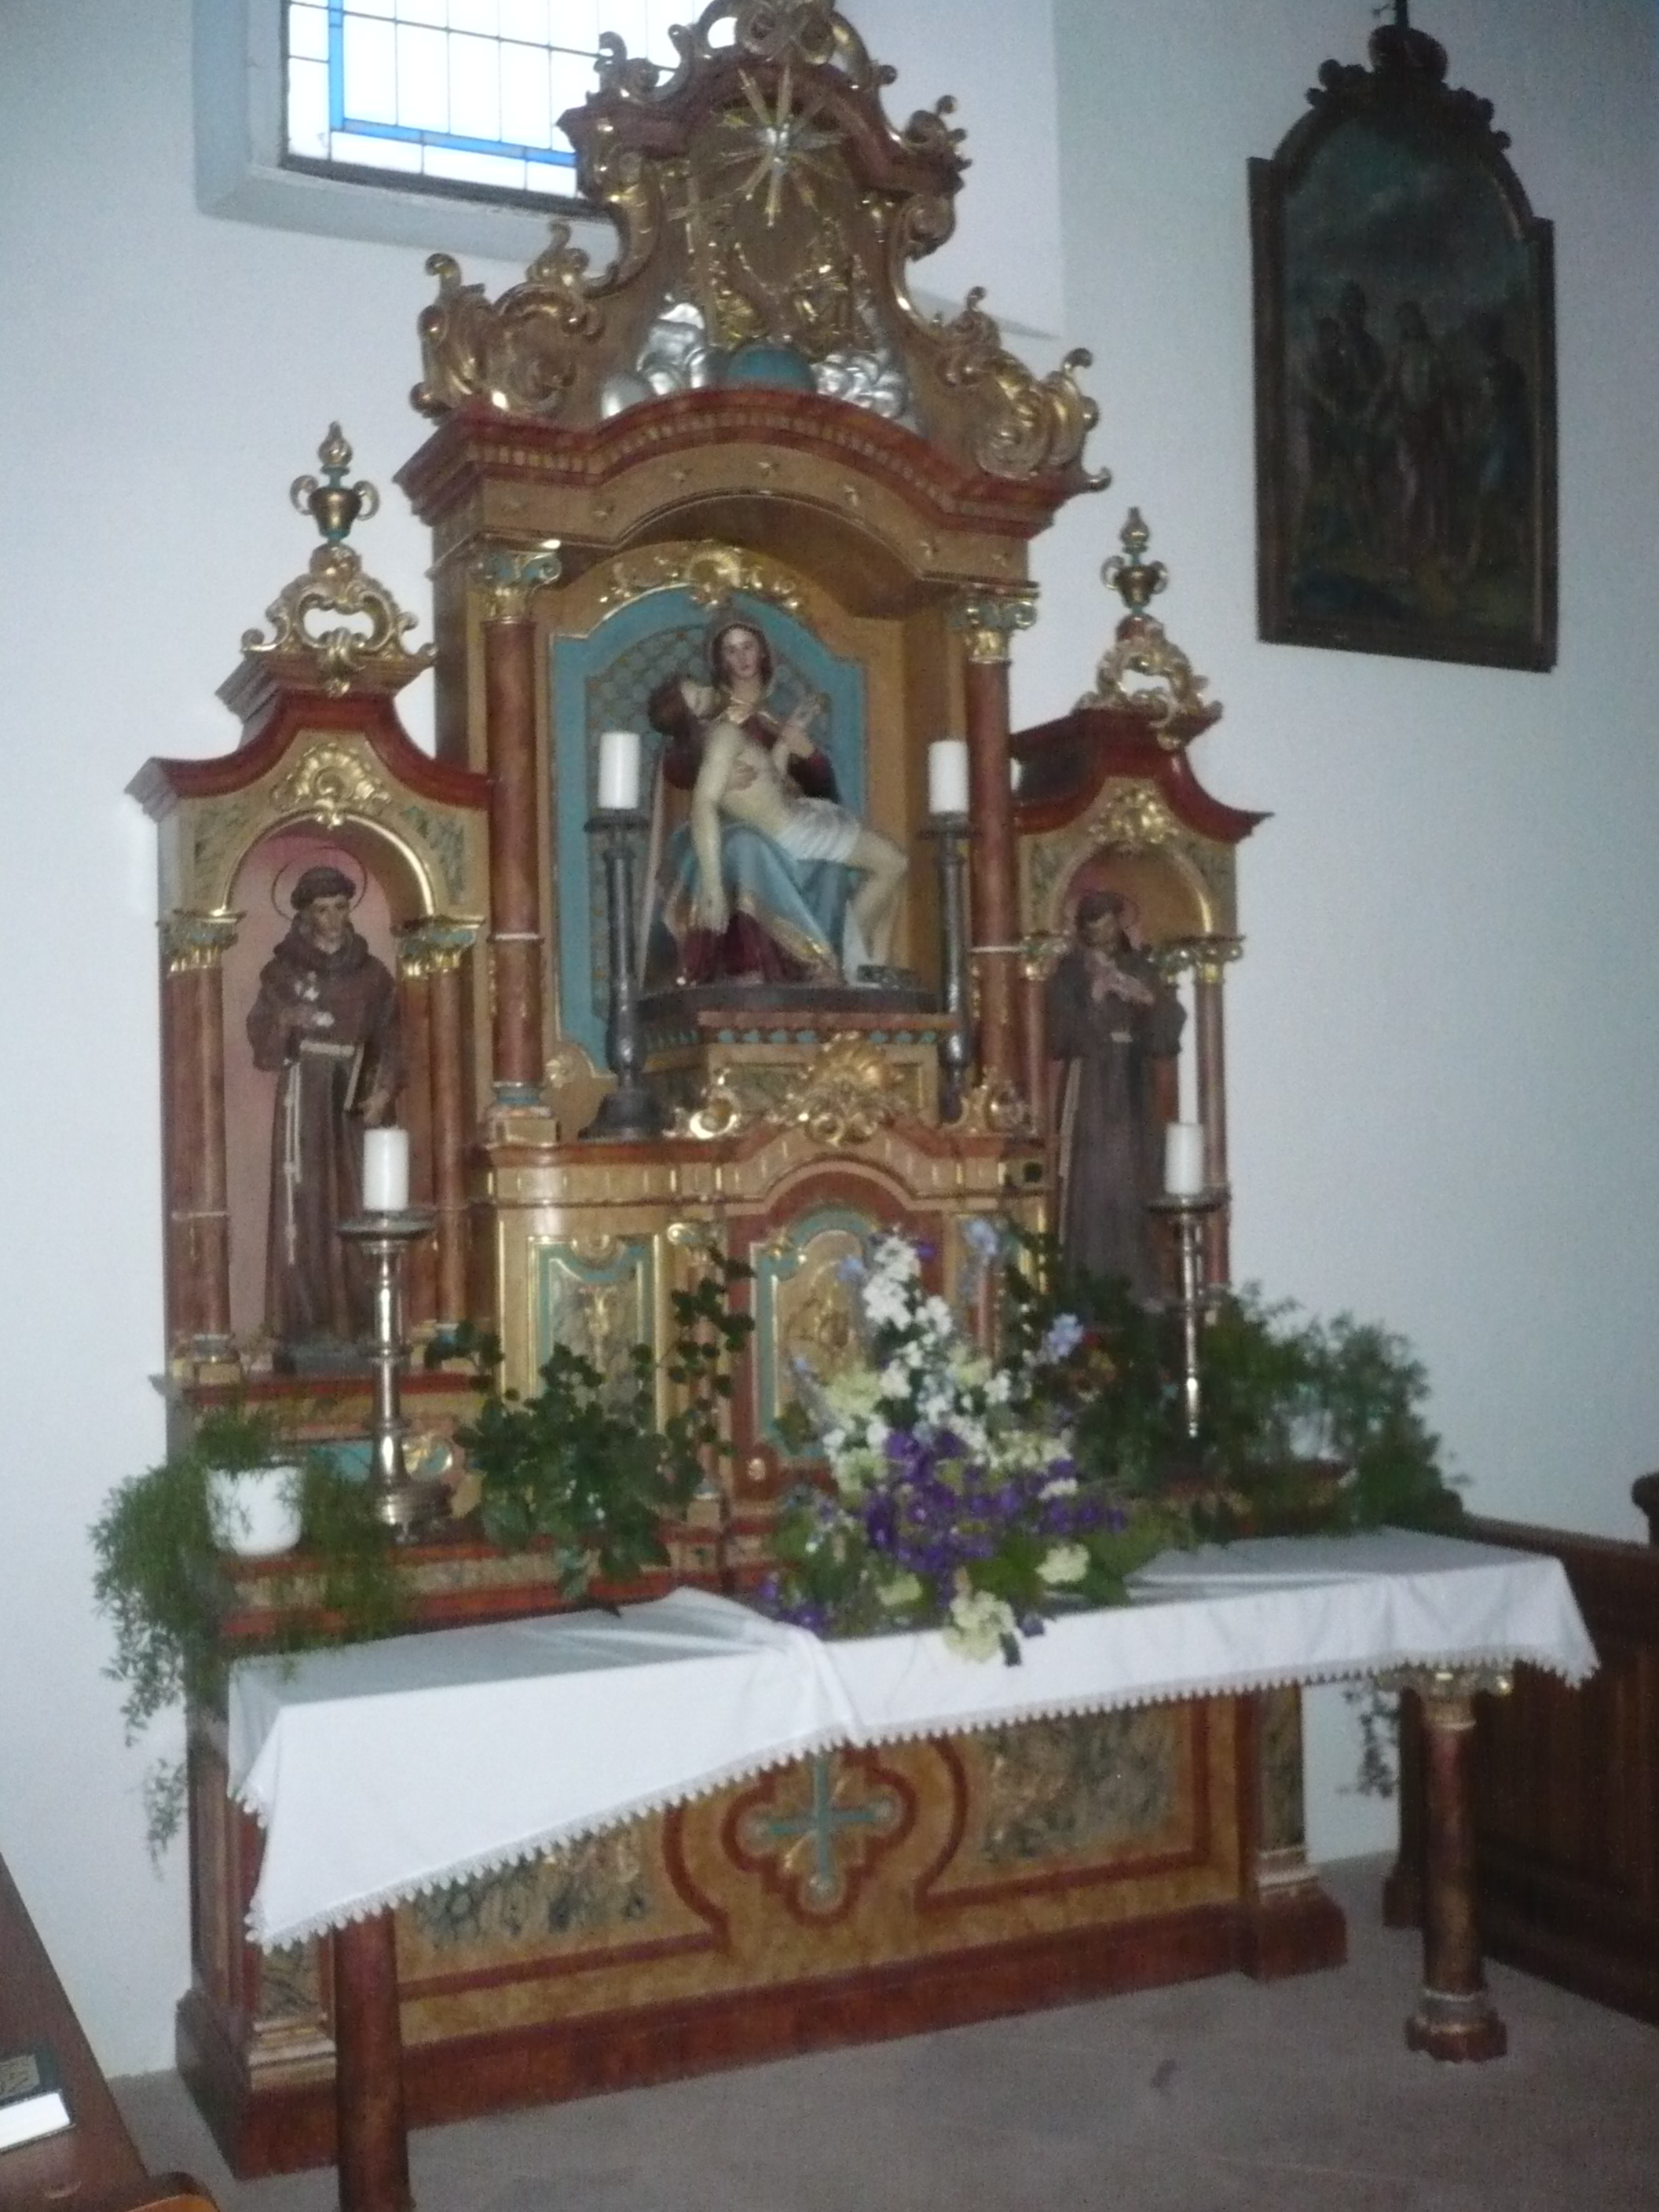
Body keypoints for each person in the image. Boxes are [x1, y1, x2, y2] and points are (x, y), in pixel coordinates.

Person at [647, 617, 907, 985]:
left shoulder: (762, 717)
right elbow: (694, 789)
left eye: (748, 646)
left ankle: (867, 968)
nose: (742, 658)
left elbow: (787, 781)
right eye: (731, 650)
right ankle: (848, 962)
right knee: (889, 862)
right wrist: (712, 784)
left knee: (872, 867)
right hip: (771, 833)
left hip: (795, 817)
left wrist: (796, 745)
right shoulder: (720, 734)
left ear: (763, 651)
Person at [247, 865, 400, 1363]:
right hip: (306, 1096)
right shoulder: (283, 973)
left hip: (353, 1098)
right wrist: (288, 1019)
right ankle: (304, 1323)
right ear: (305, 915)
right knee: (308, 1203)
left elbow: (391, 1037)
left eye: (340, 908)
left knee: (358, 1199)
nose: (332, 919)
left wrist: (383, 1090)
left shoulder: (373, 975)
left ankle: (360, 1321)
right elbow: (262, 1035)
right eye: (322, 910)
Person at [1043, 889, 1184, 1300]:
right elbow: (1057, 1036)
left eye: (1107, 924)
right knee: (1094, 1179)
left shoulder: (1140, 966)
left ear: (1119, 923)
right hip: (1091, 1085)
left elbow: (1166, 1035)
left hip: (1133, 1083)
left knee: (1136, 1178)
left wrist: (1147, 999)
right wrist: (1094, 997)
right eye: (1093, 927)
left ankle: (1141, 1286)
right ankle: (1087, 1287)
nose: (1101, 934)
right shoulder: (1070, 972)